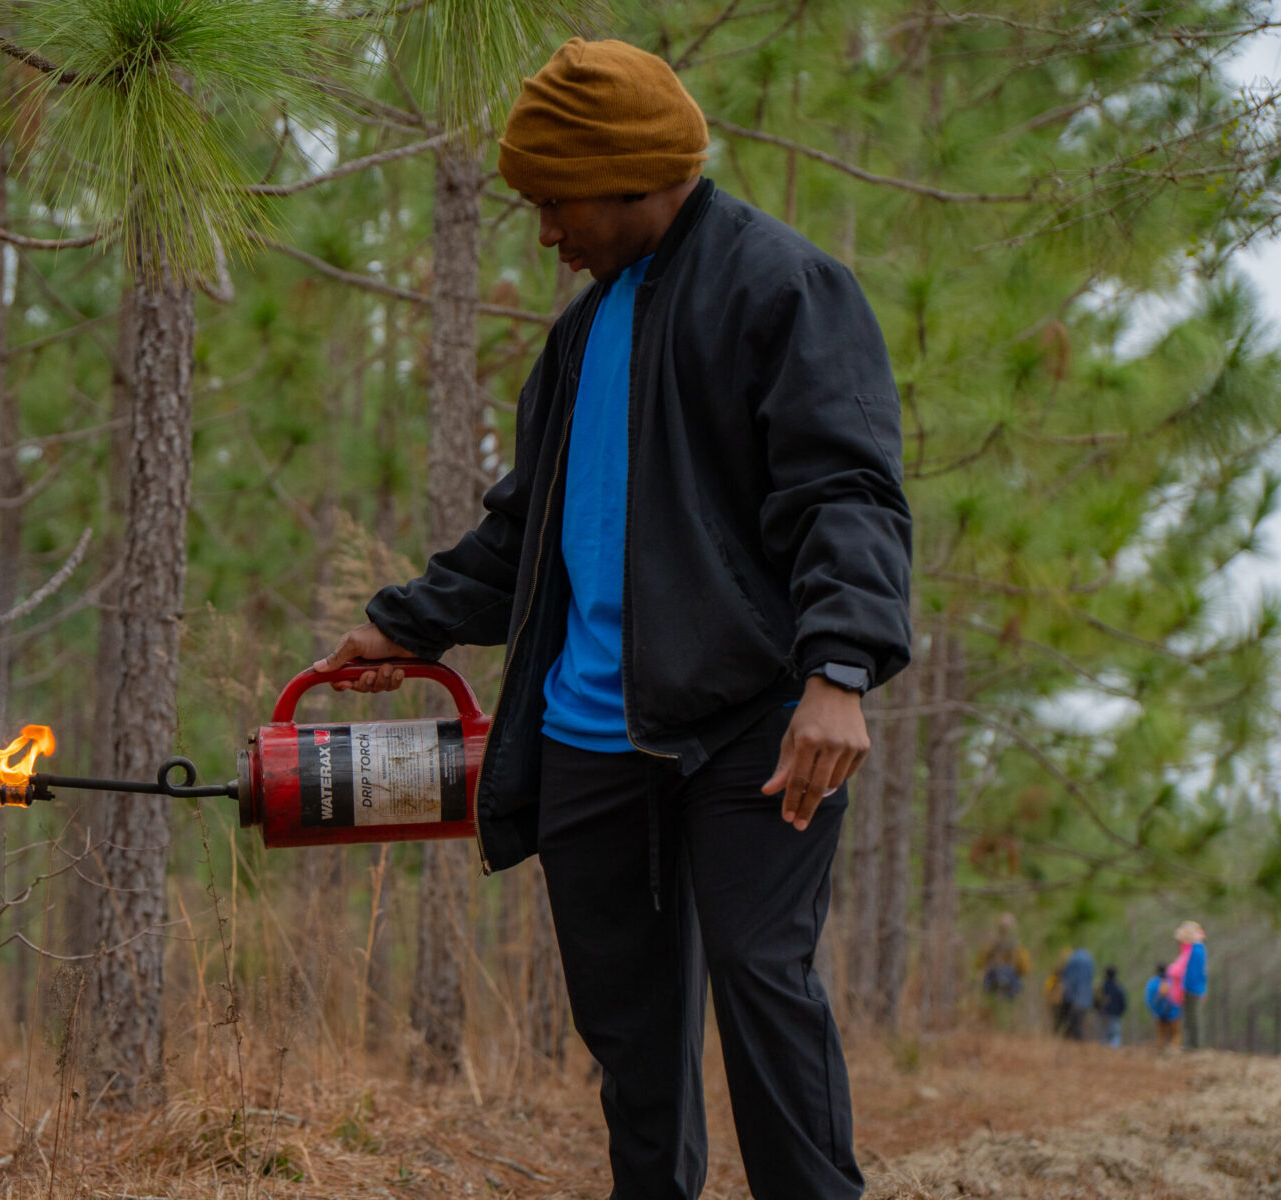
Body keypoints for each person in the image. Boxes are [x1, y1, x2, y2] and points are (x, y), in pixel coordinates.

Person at [315, 37, 912, 1200]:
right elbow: (528, 531)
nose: (546, 231)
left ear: (632, 173)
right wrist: (408, 623)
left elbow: (844, 492)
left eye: (557, 201)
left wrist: (839, 670)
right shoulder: (579, 337)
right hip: (588, 735)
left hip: (751, 724)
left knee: (762, 986)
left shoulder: (782, 288)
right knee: (633, 1046)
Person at [1169, 921, 1208, 1050]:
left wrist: (1193, 987)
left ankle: (1195, 1046)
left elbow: (1195, 972)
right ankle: (1190, 1044)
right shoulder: (1194, 949)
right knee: (1189, 1017)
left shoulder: (1196, 950)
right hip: (1190, 987)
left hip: (1192, 988)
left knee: (1193, 1017)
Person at [978, 913, 1032, 1007]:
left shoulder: (1017, 949)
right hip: (995, 990)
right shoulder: (993, 946)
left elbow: (1025, 969)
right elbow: (981, 964)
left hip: (1009, 992)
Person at [1059, 947, 1095, 1041]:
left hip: (1073, 999)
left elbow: (1068, 980)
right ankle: (1077, 1040)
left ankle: (1074, 1040)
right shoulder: (1088, 964)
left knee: (1073, 1022)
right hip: (1084, 1000)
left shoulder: (1072, 963)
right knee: (1078, 1022)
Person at [1146, 962, 1182, 1051]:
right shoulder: (1172, 981)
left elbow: (1149, 1000)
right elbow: (1178, 997)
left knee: (1161, 1036)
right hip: (1173, 1014)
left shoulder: (1152, 983)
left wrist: (1154, 1011)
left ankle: (1161, 1051)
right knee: (1175, 1035)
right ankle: (1173, 1051)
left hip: (1158, 1014)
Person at [1095, 965, 1127, 1047]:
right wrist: (1121, 1011)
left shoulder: (1101, 986)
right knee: (1115, 1035)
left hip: (1103, 1014)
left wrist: (1098, 1010)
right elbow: (1123, 1002)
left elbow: (1096, 1000)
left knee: (1104, 1035)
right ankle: (1114, 1051)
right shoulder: (1119, 987)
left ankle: (1104, 1051)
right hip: (1115, 1014)